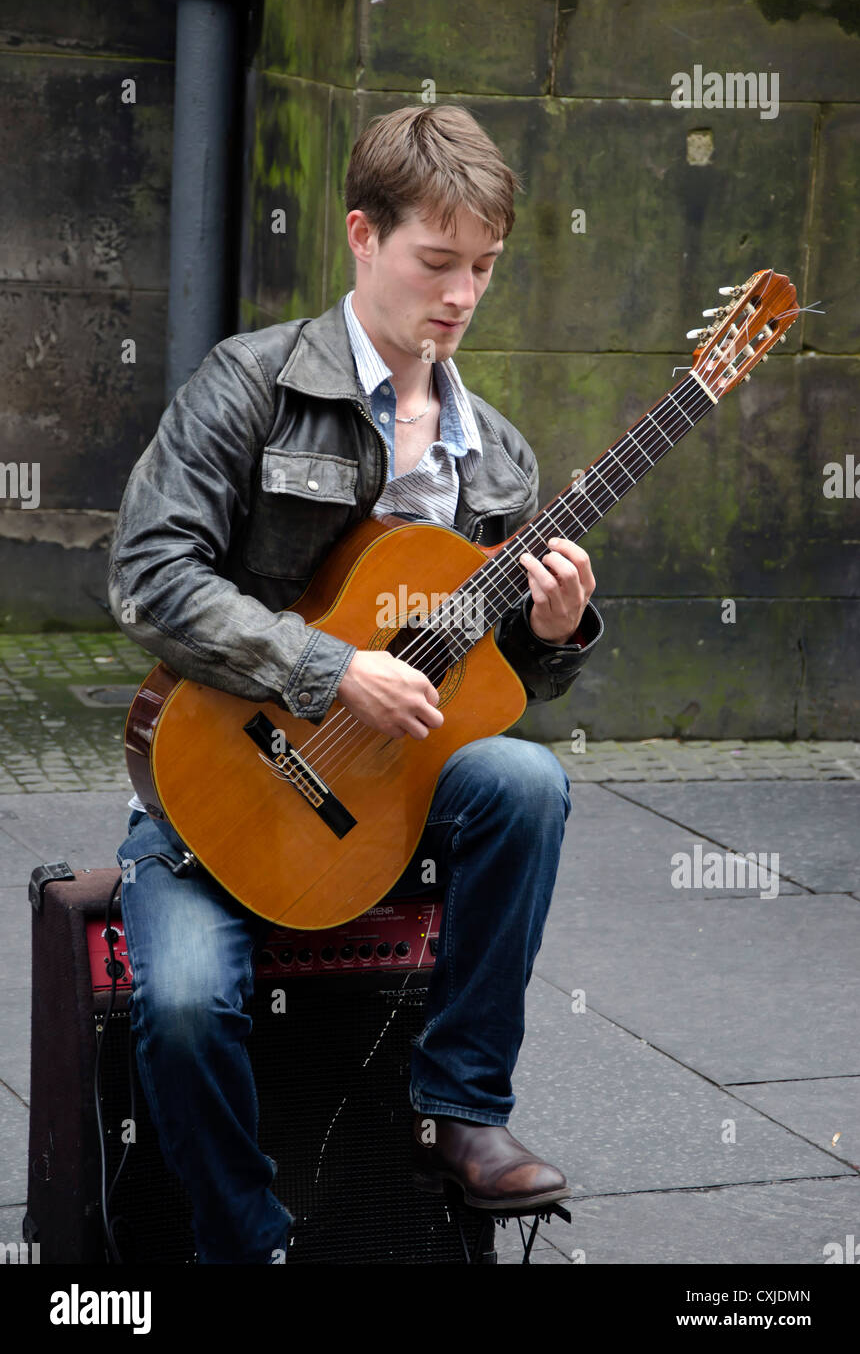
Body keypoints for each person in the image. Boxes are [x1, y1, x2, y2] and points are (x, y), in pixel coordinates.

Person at [108, 103, 604, 1264]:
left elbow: (498, 686)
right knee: (180, 1009)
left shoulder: (501, 456)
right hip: (221, 786)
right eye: (438, 261)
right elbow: (145, 576)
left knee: (527, 781)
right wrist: (332, 671)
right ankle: (249, 1245)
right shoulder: (251, 384)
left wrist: (556, 632)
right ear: (361, 238)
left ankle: (465, 1109)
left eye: (483, 266)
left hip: (394, 806)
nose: (463, 294)